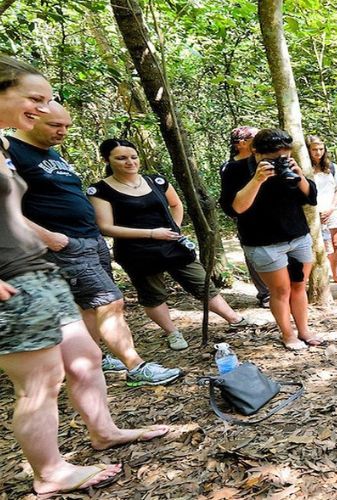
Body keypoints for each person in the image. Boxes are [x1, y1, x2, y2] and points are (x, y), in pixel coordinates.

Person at [0, 55, 169, 497]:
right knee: (40, 382)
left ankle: (104, 430)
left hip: (36, 270)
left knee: (85, 358)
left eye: (48, 98)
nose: (43, 107)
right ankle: (50, 472)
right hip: (10, 279)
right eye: (34, 98)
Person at [7, 101, 181, 386]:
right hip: (63, 245)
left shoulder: (50, 154)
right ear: (29, 119)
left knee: (88, 306)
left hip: (89, 239)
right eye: (54, 125)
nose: (62, 132)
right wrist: (48, 237)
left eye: (66, 126)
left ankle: (94, 356)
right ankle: (136, 367)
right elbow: (5, 207)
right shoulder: (11, 151)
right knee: (111, 301)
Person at [88, 138, 252, 351]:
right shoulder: (100, 190)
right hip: (136, 252)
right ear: (107, 160)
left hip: (172, 245)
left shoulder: (156, 181)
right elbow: (106, 227)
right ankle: (172, 333)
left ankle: (233, 318)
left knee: (201, 282)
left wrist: (175, 227)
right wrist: (151, 234)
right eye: (121, 158)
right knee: (152, 293)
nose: (130, 162)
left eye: (133, 157)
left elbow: (176, 204)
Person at [219, 128, 324, 351]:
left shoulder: (289, 165)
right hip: (263, 242)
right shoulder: (235, 170)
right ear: (255, 151)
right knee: (281, 291)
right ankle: (288, 335)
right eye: (273, 159)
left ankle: (304, 331)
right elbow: (235, 208)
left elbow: (312, 198)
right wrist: (257, 180)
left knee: (299, 286)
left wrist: (299, 175)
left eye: (283, 157)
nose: (278, 162)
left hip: (298, 236)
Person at [220, 126, 270, 308]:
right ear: (241, 143)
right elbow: (229, 199)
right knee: (254, 255)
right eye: (253, 138)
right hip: (247, 218)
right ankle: (265, 293)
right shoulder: (229, 167)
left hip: (271, 215)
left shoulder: (262, 160)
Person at [306, 134, 337, 284]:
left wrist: (331, 208)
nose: (318, 152)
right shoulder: (303, 168)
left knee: (334, 244)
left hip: (332, 210)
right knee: (311, 245)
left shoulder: (332, 168)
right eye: (314, 149)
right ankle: (313, 276)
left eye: (321, 149)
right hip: (311, 212)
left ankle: (336, 273)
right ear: (308, 150)